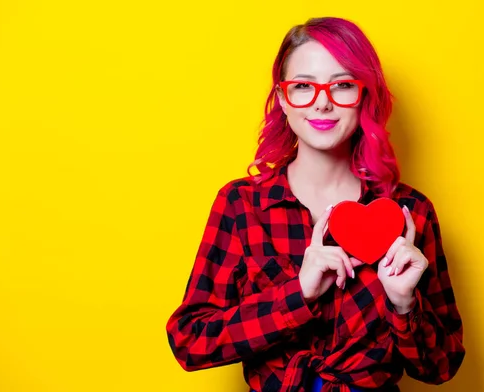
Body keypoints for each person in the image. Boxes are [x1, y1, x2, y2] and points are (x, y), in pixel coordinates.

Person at [166, 16, 465, 392]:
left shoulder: (410, 211)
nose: (322, 103)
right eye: (303, 86)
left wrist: (404, 304)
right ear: (282, 99)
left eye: (342, 86)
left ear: (364, 96)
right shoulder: (242, 205)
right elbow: (191, 342)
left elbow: (443, 366)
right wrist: (299, 293)